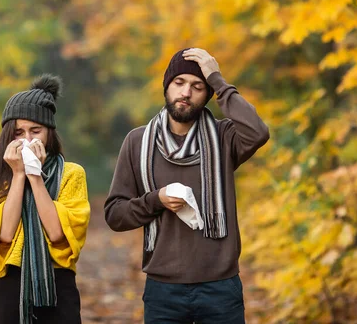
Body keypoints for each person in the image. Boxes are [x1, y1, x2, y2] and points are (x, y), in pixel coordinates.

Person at [104, 48, 270, 323]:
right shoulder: (137, 142)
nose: (186, 93)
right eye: (179, 83)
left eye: (197, 86)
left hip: (220, 288)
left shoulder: (224, 137)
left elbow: (258, 131)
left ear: (207, 96)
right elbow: (115, 215)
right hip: (163, 290)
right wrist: (156, 200)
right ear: (167, 87)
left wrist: (217, 79)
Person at [0, 74, 90, 324]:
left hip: (57, 285)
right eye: (19, 133)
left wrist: (35, 177)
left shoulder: (71, 174)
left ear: (49, 132)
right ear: (8, 136)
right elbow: (4, 235)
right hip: (10, 287)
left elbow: (58, 234)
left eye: (35, 131)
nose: (27, 140)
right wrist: (18, 175)